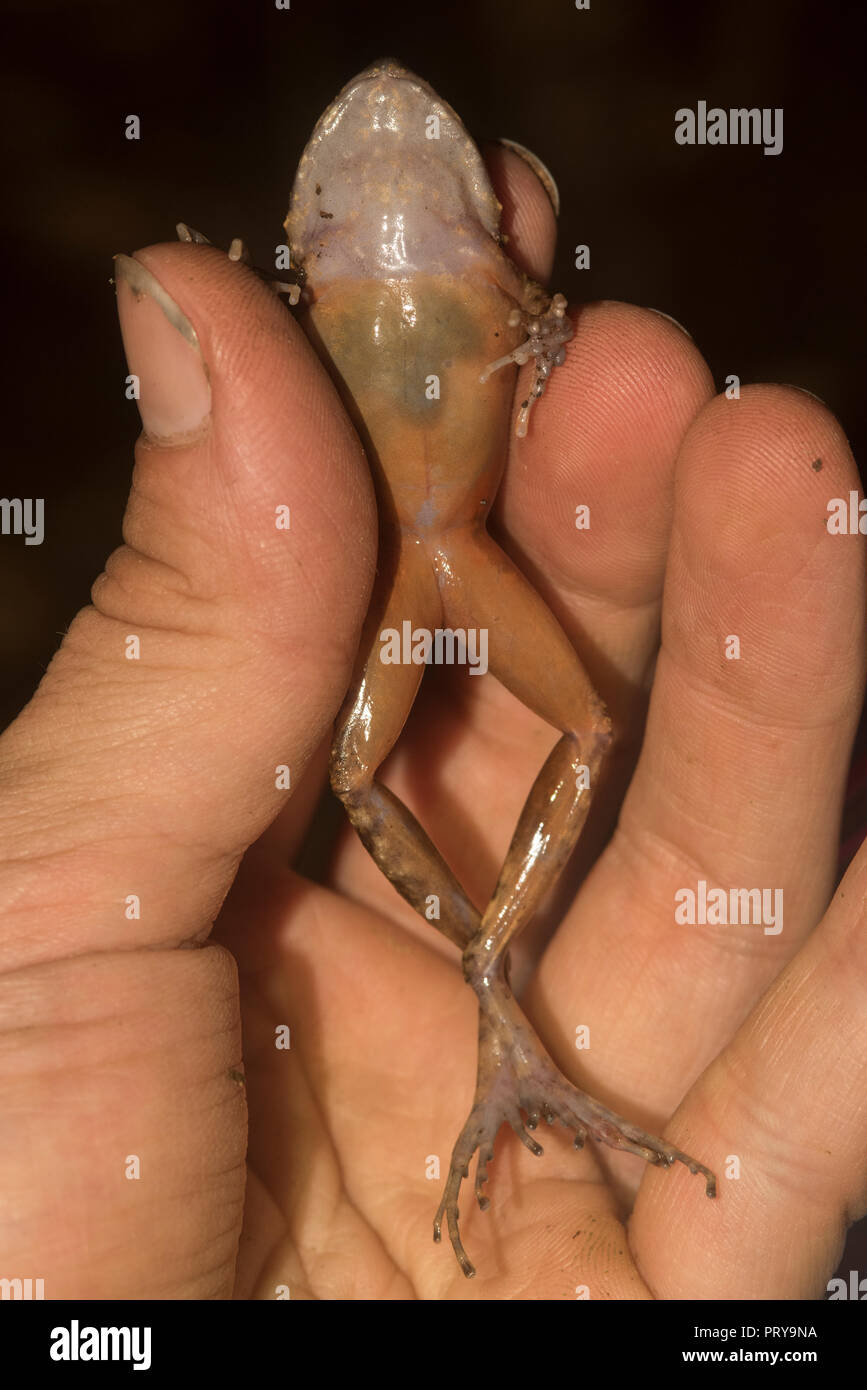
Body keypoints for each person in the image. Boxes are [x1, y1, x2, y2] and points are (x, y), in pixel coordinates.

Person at [0, 148, 864, 1299]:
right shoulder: (360, 266)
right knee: (358, 768)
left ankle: (486, 959)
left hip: (463, 545)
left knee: (588, 720)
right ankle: (490, 975)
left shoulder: (457, 258)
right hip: (407, 560)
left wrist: (542, 336)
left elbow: (542, 327)